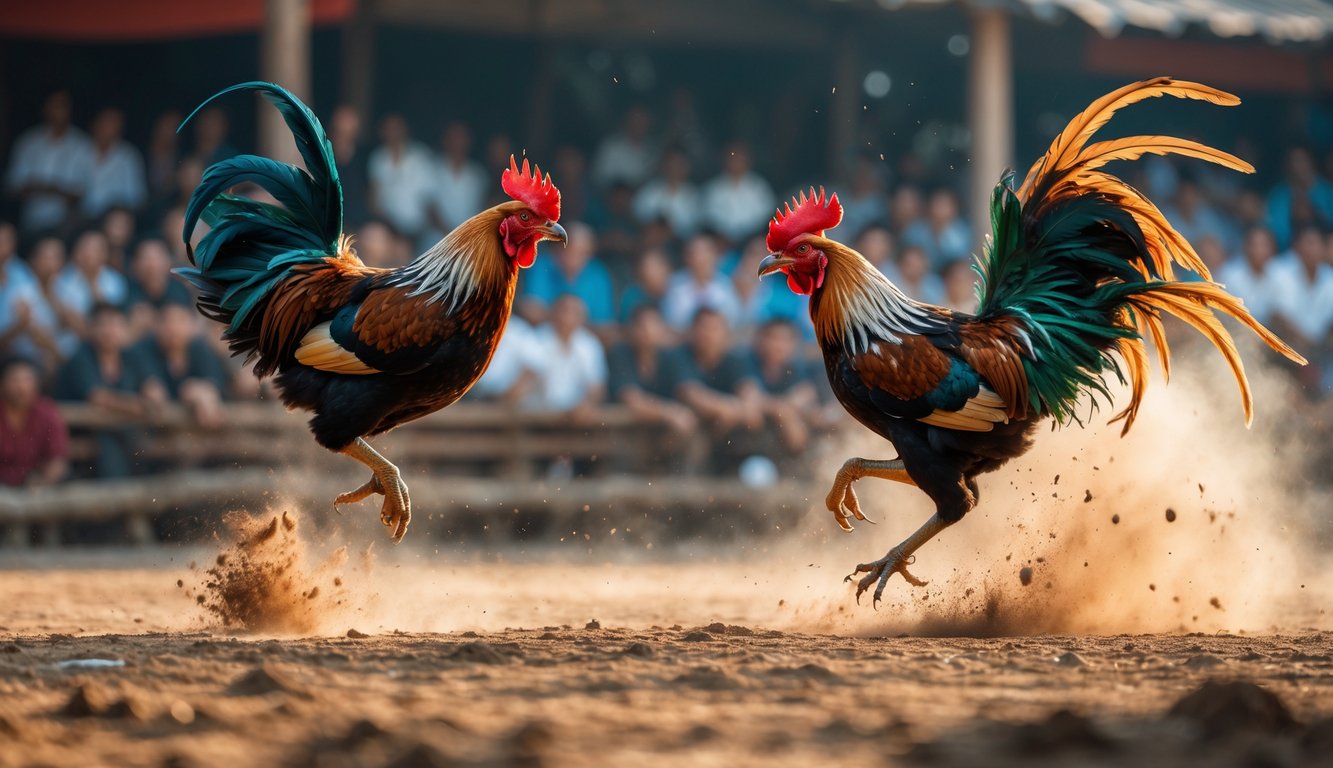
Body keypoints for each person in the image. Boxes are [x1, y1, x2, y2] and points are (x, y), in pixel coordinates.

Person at [54, 302, 157, 478]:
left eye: (116, 324)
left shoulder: (130, 356)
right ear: (91, 328)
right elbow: (97, 397)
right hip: (86, 435)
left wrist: (153, 394)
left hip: (122, 433)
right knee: (110, 444)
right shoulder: (80, 357)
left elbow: (152, 385)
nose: (110, 330)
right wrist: (136, 406)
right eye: (104, 324)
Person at [606, 303, 702, 473]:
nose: (648, 332)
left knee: (692, 432)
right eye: (642, 326)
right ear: (632, 330)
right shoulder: (620, 354)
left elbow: (687, 389)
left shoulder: (671, 356)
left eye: (653, 325)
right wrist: (670, 413)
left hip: (662, 429)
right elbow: (632, 400)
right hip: (627, 430)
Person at [675, 308, 761, 471]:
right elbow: (690, 394)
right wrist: (728, 409)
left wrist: (736, 410)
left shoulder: (735, 359)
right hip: (693, 426)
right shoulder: (679, 356)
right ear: (692, 331)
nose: (708, 334)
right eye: (703, 327)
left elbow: (750, 395)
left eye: (714, 328)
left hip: (727, 427)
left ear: (725, 333)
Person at [5, 90, 94, 234]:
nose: (58, 111)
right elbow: (13, 187)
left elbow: (84, 191)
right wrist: (52, 189)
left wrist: (45, 188)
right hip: (30, 221)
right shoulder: (27, 142)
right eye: (54, 105)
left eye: (63, 105)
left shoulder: (82, 144)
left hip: (68, 226)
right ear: (44, 108)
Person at [133, 303, 229, 428]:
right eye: (167, 321)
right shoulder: (144, 349)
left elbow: (213, 383)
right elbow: (152, 388)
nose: (173, 328)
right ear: (156, 325)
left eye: (180, 321)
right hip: (153, 428)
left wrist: (202, 393)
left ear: (192, 325)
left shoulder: (200, 348)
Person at [741, 318, 821, 459]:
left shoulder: (797, 367)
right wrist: (781, 409)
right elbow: (748, 396)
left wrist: (780, 409)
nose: (779, 346)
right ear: (761, 340)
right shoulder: (747, 362)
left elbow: (805, 395)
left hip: (784, 433)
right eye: (774, 338)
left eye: (785, 340)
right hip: (754, 434)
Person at [527, 294, 607, 423]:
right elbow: (528, 379)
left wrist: (586, 405)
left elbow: (596, 386)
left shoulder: (589, 344)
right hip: (538, 415)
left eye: (575, 312)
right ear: (553, 313)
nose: (568, 317)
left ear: (582, 317)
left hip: (577, 417)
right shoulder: (537, 339)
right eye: (564, 310)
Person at [519, 222, 615, 328]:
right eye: (572, 251)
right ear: (558, 248)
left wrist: (568, 321)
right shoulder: (541, 265)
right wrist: (567, 319)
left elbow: (606, 325)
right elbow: (529, 309)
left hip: (582, 336)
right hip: (541, 333)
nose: (577, 258)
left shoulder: (598, 275)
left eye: (584, 253)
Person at [0, 356, 69, 488]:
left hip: (36, 484)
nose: (21, 387)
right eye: (14, 380)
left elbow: (58, 458)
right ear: (2, 384)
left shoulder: (46, 412)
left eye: (27, 379)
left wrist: (44, 482)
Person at [368, 114, 436, 245]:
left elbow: (430, 200)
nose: (394, 133)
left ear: (405, 129)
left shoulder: (421, 156)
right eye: (389, 129)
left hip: (419, 230)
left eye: (397, 128)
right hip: (389, 229)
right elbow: (374, 199)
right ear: (382, 132)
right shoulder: (378, 158)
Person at [700, 143, 776, 245]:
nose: (736, 162)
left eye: (740, 158)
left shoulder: (759, 187)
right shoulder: (713, 189)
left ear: (748, 160)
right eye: (732, 157)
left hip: (753, 242)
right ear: (724, 160)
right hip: (720, 243)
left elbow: (767, 217)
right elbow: (708, 219)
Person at [81, 108, 146, 220]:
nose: (109, 128)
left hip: (114, 218)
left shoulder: (128, 156)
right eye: (106, 122)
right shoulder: (79, 151)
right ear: (94, 124)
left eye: (114, 123)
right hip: (82, 218)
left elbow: (136, 197)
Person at [662, 234, 739, 329]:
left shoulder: (725, 285)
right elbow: (669, 321)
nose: (700, 258)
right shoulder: (675, 285)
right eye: (695, 253)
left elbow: (733, 320)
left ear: (715, 256)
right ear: (686, 257)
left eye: (705, 253)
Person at [427, 121, 487, 237]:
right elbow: (430, 207)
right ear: (445, 140)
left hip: (470, 235)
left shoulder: (478, 174)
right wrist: (450, 235)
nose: (458, 142)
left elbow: (483, 210)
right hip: (437, 236)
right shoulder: (433, 169)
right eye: (454, 137)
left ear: (469, 141)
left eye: (461, 137)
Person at [54, 229, 128, 323]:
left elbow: (111, 316)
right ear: (76, 251)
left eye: (96, 250)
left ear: (106, 254)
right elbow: (64, 318)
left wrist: (92, 282)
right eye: (86, 248)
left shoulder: (115, 280)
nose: (90, 254)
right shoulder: (61, 280)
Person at [1266, 147, 1333, 250]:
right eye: (1293, 162)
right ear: (1287, 166)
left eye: (1302, 160)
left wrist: (1315, 214)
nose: (1298, 166)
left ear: (1312, 162)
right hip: (1289, 252)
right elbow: (1276, 233)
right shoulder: (1278, 195)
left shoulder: (1327, 191)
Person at [125, 237, 194, 337]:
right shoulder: (127, 291)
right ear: (135, 265)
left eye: (157, 258)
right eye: (146, 259)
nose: (152, 265)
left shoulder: (179, 290)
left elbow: (187, 325)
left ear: (168, 262)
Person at [1218, 226, 1282, 325]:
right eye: (1254, 244)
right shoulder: (1229, 275)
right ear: (1245, 247)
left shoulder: (1278, 274)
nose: (1258, 250)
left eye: (1264, 245)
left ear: (1273, 248)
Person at [632, 148, 701, 238]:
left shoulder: (694, 196)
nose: (675, 168)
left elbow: (695, 228)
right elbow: (638, 219)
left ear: (687, 167)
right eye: (671, 163)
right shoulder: (649, 191)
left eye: (680, 164)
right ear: (663, 166)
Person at [901, 188, 971, 268]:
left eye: (945, 206)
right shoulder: (915, 230)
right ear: (929, 206)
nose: (940, 210)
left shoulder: (962, 233)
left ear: (954, 209)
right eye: (938, 204)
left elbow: (960, 261)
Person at [591, 106, 656, 189]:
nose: (639, 125)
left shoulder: (652, 149)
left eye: (642, 121)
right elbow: (599, 179)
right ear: (627, 121)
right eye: (635, 120)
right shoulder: (611, 147)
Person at [330, 105, 371, 231]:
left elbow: (370, 194)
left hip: (359, 222)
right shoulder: (323, 155)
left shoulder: (364, 157)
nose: (345, 130)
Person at [618, 249, 673, 325]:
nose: (650, 272)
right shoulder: (631, 296)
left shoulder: (679, 290)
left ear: (667, 268)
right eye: (645, 267)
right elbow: (624, 326)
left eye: (655, 267)